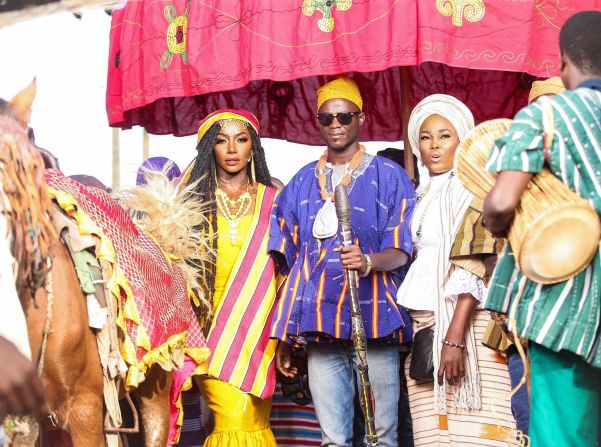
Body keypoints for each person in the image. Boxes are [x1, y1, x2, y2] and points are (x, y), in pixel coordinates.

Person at [270, 76, 415, 447]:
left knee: (381, 437)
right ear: (318, 121)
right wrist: (286, 335)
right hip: (320, 326)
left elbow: (401, 249)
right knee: (333, 440)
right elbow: (288, 265)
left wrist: (368, 261)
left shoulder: (390, 176)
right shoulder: (301, 183)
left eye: (344, 117)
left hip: (374, 324)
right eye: (327, 118)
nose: (335, 125)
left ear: (361, 118)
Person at [483, 10, 601, 446]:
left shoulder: (548, 116)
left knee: (563, 437)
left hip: (564, 304)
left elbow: (500, 202)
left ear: (564, 62)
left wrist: (498, 222)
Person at [396, 94, 515, 446]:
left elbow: (473, 261)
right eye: (425, 136)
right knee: (434, 432)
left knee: (482, 428)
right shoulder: (423, 191)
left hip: (467, 324)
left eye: (445, 135)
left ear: (463, 138)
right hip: (426, 325)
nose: (434, 146)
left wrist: (454, 336)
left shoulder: (473, 187)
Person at [180, 109, 279, 446]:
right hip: (211, 325)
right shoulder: (191, 201)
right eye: (221, 141)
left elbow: (285, 267)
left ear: (254, 147)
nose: (232, 149)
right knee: (232, 418)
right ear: (210, 148)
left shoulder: (273, 200)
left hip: (260, 325)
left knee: (253, 420)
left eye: (242, 139)